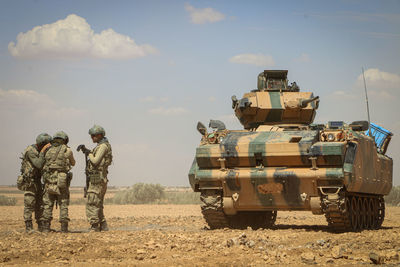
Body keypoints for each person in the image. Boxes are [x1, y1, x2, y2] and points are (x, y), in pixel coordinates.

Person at [41, 131, 75, 233]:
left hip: (49, 180)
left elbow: (42, 163)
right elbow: (73, 163)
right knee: (63, 203)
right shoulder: (67, 150)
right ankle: (64, 228)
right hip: (61, 182)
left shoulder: (48, 150)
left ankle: (46, 227)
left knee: (48, 204)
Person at [18, 133, 52, 232]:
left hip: (37, 181)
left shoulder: (37, 150)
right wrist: (43, 152)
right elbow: (38, 164)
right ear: (42, 144)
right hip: (30, 182)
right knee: (29, 203)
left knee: (40, 204)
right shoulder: (31, 151)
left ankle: (40, 226)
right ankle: (29, 227)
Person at [85, 125, 113, 232]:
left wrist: (89, 154)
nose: (92, 137)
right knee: (98, 202)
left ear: (100, 135)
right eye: (91, 136)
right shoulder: (101, 145)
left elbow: (96, 161)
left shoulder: (103, 146)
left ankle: (94, 226)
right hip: (98, 177)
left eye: (94, 135)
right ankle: (103, 225)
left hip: (98, 177)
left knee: (92, 201)